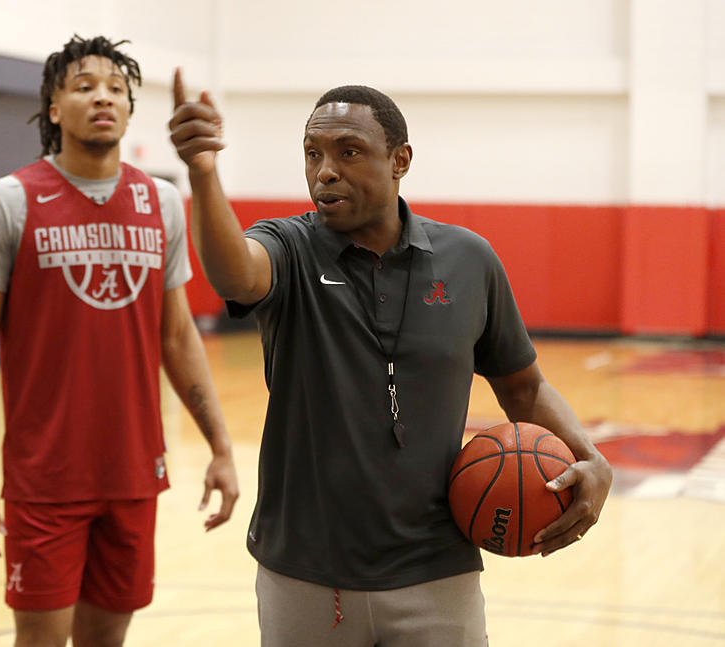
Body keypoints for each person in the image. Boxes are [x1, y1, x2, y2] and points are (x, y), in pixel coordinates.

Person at [169, 72, 613, 646]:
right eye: (312, 154)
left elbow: (524, 388)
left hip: (436, 565)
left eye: (348, 151)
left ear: (400, 159)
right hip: (306, 571)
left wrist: (589, 457)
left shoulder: (469, 260)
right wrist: (203, 176)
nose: (324, 170)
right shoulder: (288, 245)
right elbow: (235, 272)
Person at [0, 36, 239, 647]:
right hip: (45, 480)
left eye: (115, 89)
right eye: (83, 87)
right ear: (54, 109)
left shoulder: (160, 201)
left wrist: (220, 445)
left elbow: (179, 335)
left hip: (134, 472)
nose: (102, 97)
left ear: (131, 111)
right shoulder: (8, 202)